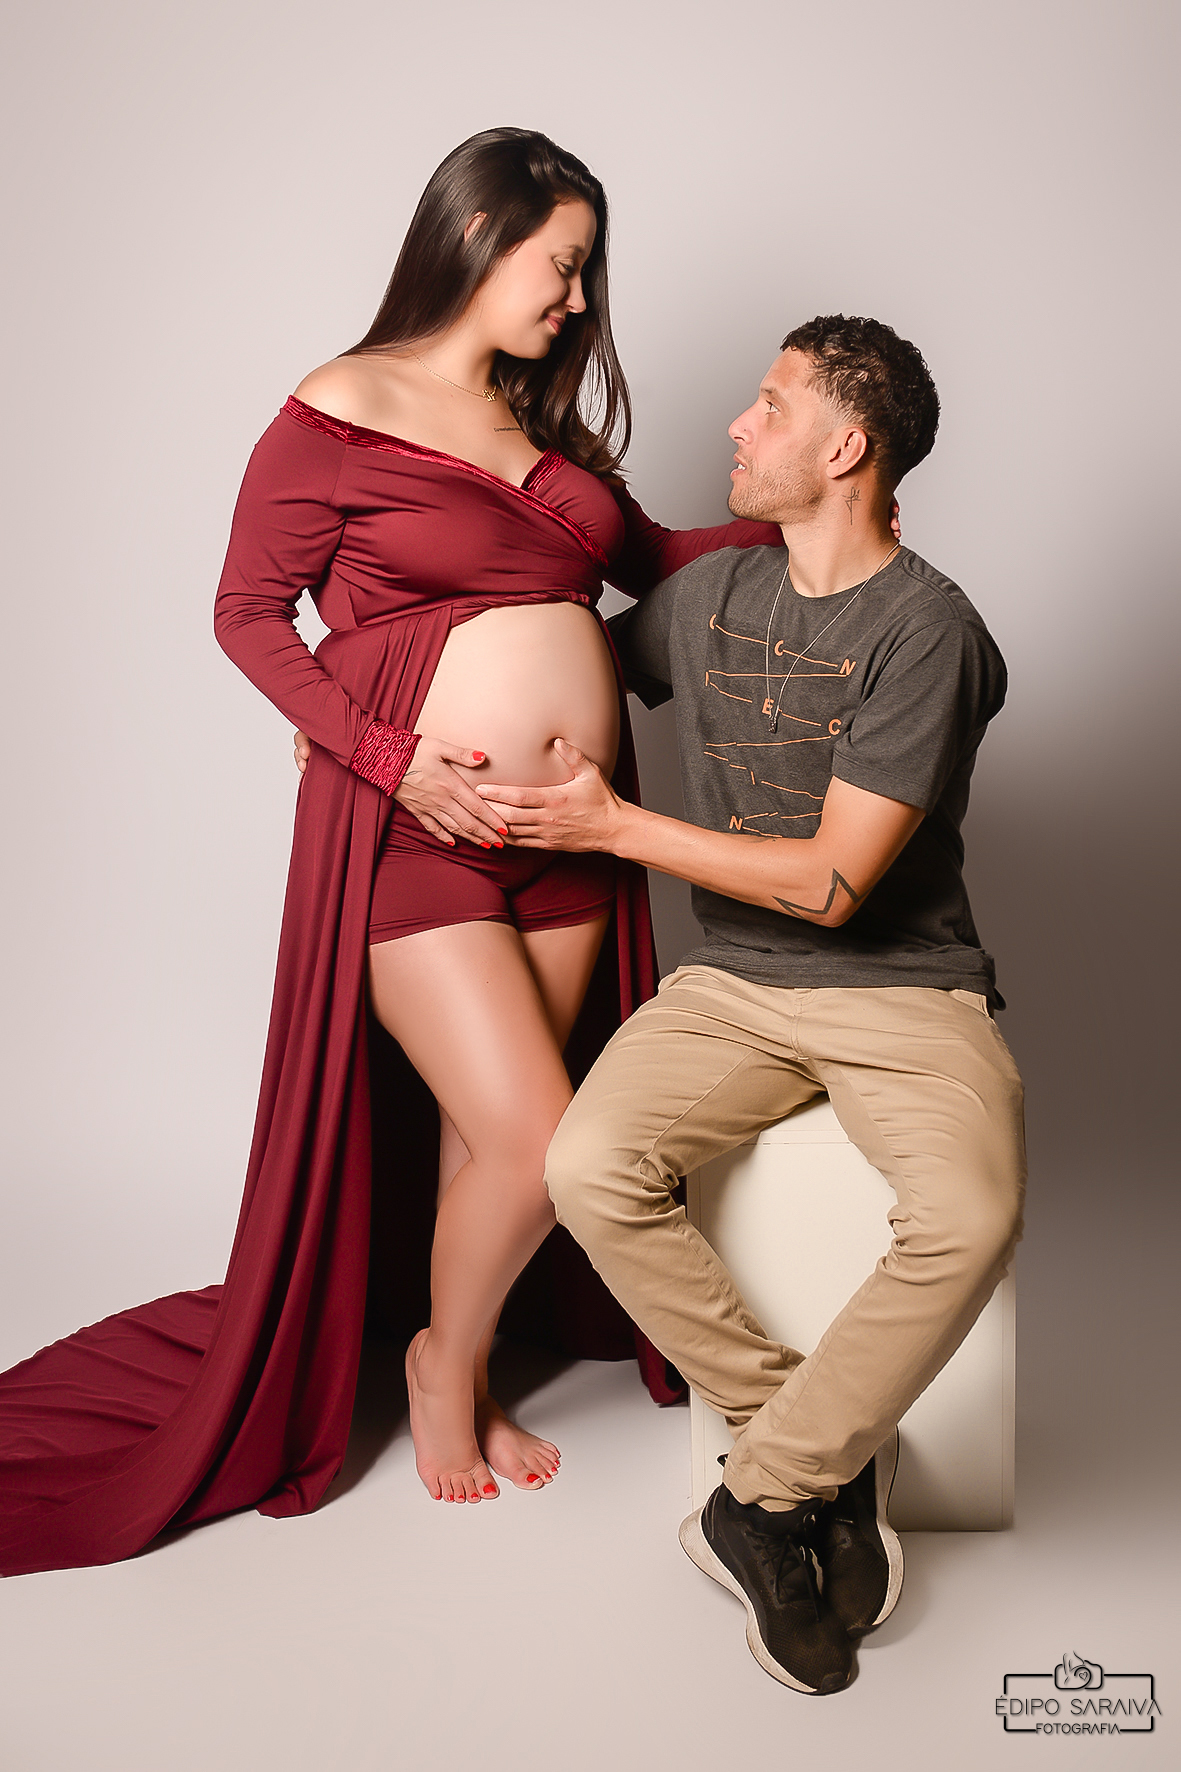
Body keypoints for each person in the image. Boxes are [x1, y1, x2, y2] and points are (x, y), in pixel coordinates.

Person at [0, 128, 783, 1576]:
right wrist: (380, 753)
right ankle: (439, 1366)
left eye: (587, 271)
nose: (578, 297)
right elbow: (247, 613)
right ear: (478, 236)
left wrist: (805, 517)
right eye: (562, 264)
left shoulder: (543, 432)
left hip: (572, 839)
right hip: (420, 829)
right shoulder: (338, 409)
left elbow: (657, 564)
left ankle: (465, 1360)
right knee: (543, 1139)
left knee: (495, 1141)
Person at [476, 315, 1026, 1692]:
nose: (737, 424)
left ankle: (760, 1492)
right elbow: (550, 660)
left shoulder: (930, 632)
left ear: (845, 449)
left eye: (770, 405)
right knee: (587, 1168)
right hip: (731, 989)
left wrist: (616, 829)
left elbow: (836, 886)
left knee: (969, 1217)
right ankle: (819, 1456)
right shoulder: (710, 596)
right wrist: (372, 711)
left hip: (905, 988)